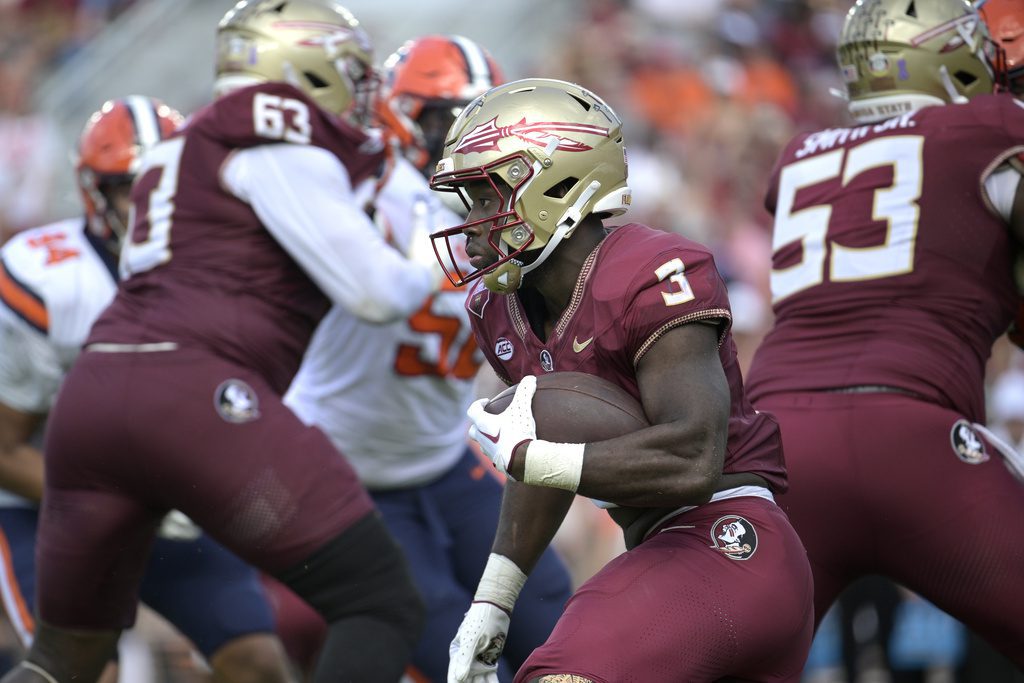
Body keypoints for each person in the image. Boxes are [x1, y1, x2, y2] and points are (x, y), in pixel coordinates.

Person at [0, 1, 442, 681]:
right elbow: (379, 295)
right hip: (198, 403)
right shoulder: (274, 145)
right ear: (305, 71)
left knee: (64, 661)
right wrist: (430, 252)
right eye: (352, 74)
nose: (363, 94)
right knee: (379, 601)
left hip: (94, 402)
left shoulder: (183, 150)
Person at [429, 77, 814, 683]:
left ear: (556, 184)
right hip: (665, 553)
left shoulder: (653, 270)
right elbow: (548, 450)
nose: (472, 222)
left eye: (486, 197)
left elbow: (694, 460)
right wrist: (493, 601)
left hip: (728, 542)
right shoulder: (495, 308)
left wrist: (533, 456)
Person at [744, 0, 1024, 670]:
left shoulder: (799, 155)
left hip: (776, 443)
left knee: (736, 665)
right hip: (911, 435)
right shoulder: (988, 126)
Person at [283, 34, 572, 682]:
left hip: (442, 456)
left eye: (484, 124)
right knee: (450, 645)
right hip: (346, 465)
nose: (467, 143)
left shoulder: (519, 209)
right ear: (399, 115)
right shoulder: (361, 196)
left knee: (554, 621)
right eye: (447, 120)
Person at [0, 95, 298, 682]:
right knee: (82, 675)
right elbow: (3, 449)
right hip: (43, 509)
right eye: (132, 191)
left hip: (163, 502)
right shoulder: (49, 281)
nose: (155, 208)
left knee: (257, 662)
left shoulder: (229, 270)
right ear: (96, 195)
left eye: (170, 187)